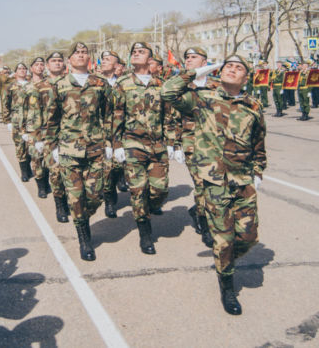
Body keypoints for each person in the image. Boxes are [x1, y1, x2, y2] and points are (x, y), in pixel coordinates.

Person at [162, 54, 266, 316]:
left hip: (243, 180)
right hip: (213, 180)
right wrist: (197, 72)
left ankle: (225, 261)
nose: (232, 69)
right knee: (223, 238)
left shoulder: (253, 104)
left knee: (248, 237)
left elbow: (259, 140)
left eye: (238, 67)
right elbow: (168, 92)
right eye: (228, 65)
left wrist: (258, 170)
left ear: (246, 76)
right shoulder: (203, 97)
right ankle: (227, 286)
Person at [45, 42, 112, 261]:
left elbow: (109, 115)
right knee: (75, 197)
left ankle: (84, 215)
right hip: (68, 150)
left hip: (95, 149)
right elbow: (52, 119)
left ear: (89, 58)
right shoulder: (60, 85)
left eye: (84, 53)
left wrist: (111, 143)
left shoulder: (100, 83)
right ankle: (84, 239)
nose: (81, 55)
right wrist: (52, 147)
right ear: (69, 59)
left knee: (95, 195)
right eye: (77, 53)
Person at [112, 42, 179, 254]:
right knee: (138, 190)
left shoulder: (161, 84)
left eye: (141, 52)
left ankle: (147, 211)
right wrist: (116, 145)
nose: (136, 54)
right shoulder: (123, 83)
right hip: (133, 144)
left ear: (150, 59)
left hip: (158, 144)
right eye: (133, 52)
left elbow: (169, 115)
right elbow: (115, 115)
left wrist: (172, 143)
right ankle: (145, 233)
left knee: (160, 189)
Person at [180, 47, 220, 246]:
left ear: (204, 62)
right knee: (201, 185)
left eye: (193, 57)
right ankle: (206, 226)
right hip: (191, 143)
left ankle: (197, 211)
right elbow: (171, 115)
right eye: (187, 57)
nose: (188, 60)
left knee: (214, 187)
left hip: (215, 144)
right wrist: (174, 143)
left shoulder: (217, 86)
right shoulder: (181, 85)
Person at [26, 51, 70, 221]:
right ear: (47, 65)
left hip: (72, 136)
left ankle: (72, 201)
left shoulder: (72, 84)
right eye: (54, 61)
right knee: (56, 172)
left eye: (60, 60)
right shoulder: (39, 87)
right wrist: (36, 138)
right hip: (49, 136)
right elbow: (34, 114)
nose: (57, 63)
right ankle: (60, 205)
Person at [99, 50, 124, 218]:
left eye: (108, 60)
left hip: (121, 132)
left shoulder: (123, 83)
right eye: (103, 59)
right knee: (106, 169)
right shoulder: (93, 82)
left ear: (116, 65)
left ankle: (113, 188)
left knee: (118, 167)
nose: (104, 62)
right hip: (100, 133)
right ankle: (110, 201)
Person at [23, 57, 51, 198]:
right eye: (37, 65)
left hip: (49, 128)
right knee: (36, 158)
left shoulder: (49, 84)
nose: (40, 67)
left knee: (48, 159)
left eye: (42, 65)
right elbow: (21, 109)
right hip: (33, 130)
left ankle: (47, 182)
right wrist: (23, 131)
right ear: (31, 68)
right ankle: (41, 186)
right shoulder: (26, 87)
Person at [6, 63, 32, 181]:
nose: (22, 71)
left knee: (31, 146)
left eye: (24, 69)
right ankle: (24, 172)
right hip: (17, 120)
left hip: (31, 120)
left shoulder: (32, 85)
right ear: (15, 72)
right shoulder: (11, 86)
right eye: (20, 69)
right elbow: (6, 104)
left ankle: (29, 167)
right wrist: (8, 121)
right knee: (20, 146)